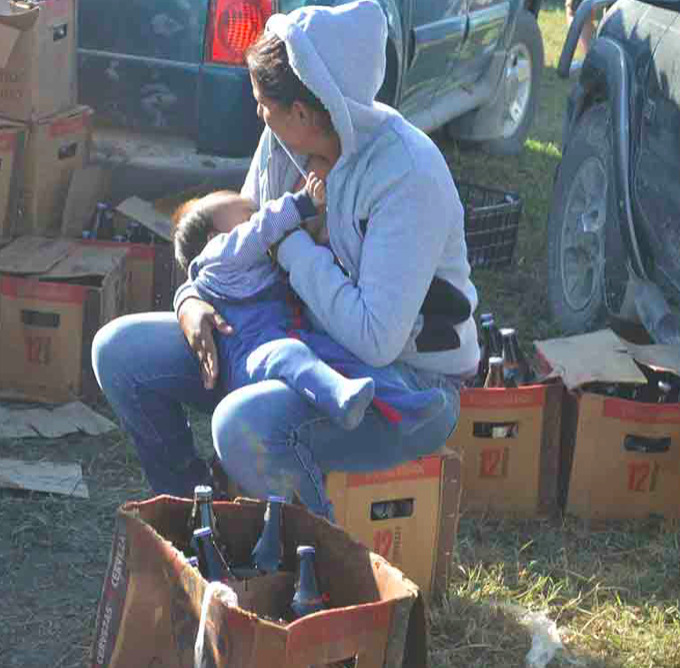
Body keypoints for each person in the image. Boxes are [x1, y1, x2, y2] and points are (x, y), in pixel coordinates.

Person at [92, 0, 479, 519]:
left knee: (241, 425)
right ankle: (198, 516)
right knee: (119, 352)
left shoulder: (407, 175)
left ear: (302, 112)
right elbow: (244, 237)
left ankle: (313, 553)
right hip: (284, 337)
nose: (259, 114)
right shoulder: (282, 142)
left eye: (263, 104)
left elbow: (376, 339)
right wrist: (191, 299)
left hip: (402, 386)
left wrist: (291, 247)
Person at [171, 178, 447, 432]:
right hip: (251, 358)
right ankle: (340, 399)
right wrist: (301, 203)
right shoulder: (217, 259)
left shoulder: (255, 267)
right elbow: (260, 230)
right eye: (247, 215)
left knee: (342, 354)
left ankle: (407, 406)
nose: (257, 214)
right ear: (214, 239)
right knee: (289, 354)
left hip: (295, 337)